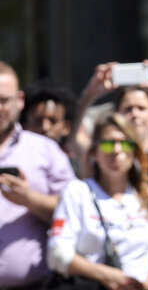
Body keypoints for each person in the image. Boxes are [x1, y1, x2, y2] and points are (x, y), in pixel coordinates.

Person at [47, 112, 148, 289]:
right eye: (108, 144)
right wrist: (108, 276)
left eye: (125, 144)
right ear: (95, 152)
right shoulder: (78, 192)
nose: (117, 151)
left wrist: (147, 284)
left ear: (134, 152)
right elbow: (57, 253)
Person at [0, 61, 77, 288]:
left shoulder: (45, 149)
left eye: (4, 100)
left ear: (20, 100)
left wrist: (29, 199)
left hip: (35, 284)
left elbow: (74, 212)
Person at [22, 82, 76, 150]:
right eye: (37, 121)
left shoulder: (69, 160)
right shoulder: (12, 158)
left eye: (53, 121)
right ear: (24, 126)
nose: (45, 127)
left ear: (66, 127)